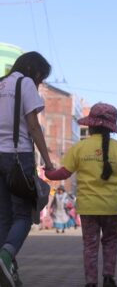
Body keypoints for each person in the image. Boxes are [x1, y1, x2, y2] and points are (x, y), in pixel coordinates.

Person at [45, 102, 117, 287]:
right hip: (112, 207)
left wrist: (48, 173)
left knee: (90, 246)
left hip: (88, 207)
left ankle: (91, 282)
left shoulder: (79, 148)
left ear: (90, 126)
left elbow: (63, 174)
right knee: (110, 242)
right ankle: (109, 277)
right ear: (111, 128)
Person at [0, 51, 53, 287]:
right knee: (24, 215)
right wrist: (48, 162)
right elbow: (33, 126)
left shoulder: (1, 84)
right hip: (17, 156)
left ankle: (8, 270)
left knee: (3, 217)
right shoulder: (26, 84)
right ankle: (5, 256)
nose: (39, 82)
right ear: (35, 71)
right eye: (41, 78)